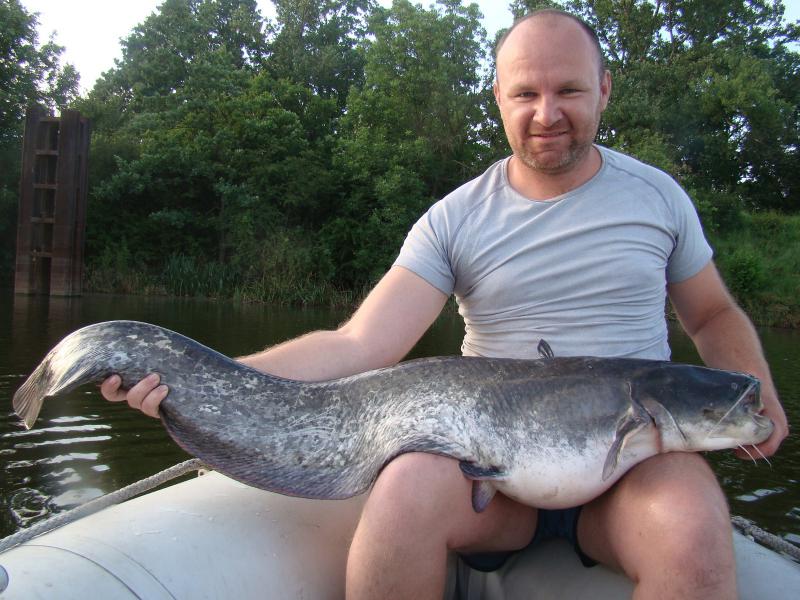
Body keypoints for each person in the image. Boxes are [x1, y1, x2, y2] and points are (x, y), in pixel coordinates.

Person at [101, 9, 788, 600]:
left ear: (604, 89)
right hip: (485, 478)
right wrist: (205, 381)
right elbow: (360, 344)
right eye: (526, 93)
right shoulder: (454, 220)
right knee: (404, 492)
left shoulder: (659, 197)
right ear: (498, 97)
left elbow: (711, 315)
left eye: (570, 90)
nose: (547, 113)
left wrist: (757, 387)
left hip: (635, 476)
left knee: (693, 529)